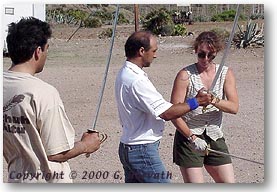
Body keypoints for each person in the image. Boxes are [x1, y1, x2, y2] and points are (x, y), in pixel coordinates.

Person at [3, 17, 101, 183]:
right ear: (38, 51)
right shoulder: (43, 92)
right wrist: (86, 145)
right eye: (47, 49)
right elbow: (56, 153)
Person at [114, 31, 212, 183]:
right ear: (141, 51)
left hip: (130, 147)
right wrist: (196, 102)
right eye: (153, 51)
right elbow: (166, 113)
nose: (155, 55)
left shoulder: (125, 72)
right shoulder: (136, 80)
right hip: (142, 151)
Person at [171, 31, 239, 183]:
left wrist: (214, 100)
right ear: (195, 50)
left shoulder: (225, 73)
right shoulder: (185, 75)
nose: (206, 59)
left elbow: (234, 107)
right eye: (201, 54)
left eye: (211, 56)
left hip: (214, 134)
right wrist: (192, 137)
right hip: (189, 136)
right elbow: (173, 113)